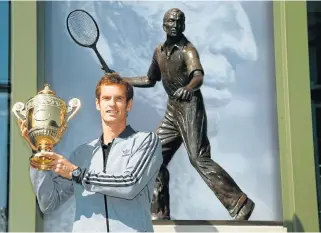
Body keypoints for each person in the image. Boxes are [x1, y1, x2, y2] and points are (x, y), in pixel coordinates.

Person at [122, 8, 255, 221]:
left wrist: (190, 87)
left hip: (190, 106)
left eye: (179, 21)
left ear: (183, 26)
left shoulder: (188, 50)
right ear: (164, 25)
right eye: (171, 21)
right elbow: (149, 80)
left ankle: (240, 202)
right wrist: (122, 79)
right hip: (173, 110)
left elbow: (198, 75)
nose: (174, 24)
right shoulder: (159, 51)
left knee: (198, 158)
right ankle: (159, 212)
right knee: (152, 156)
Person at [18, 73, 163, 232]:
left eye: (119, 99)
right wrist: (39, 152)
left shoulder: (146, 141)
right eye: (106, 98)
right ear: (97, 104)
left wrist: (77, 174)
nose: (112, 104)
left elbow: (130, 184)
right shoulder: (81, 154)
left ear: (129, 105)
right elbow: (49, 203)